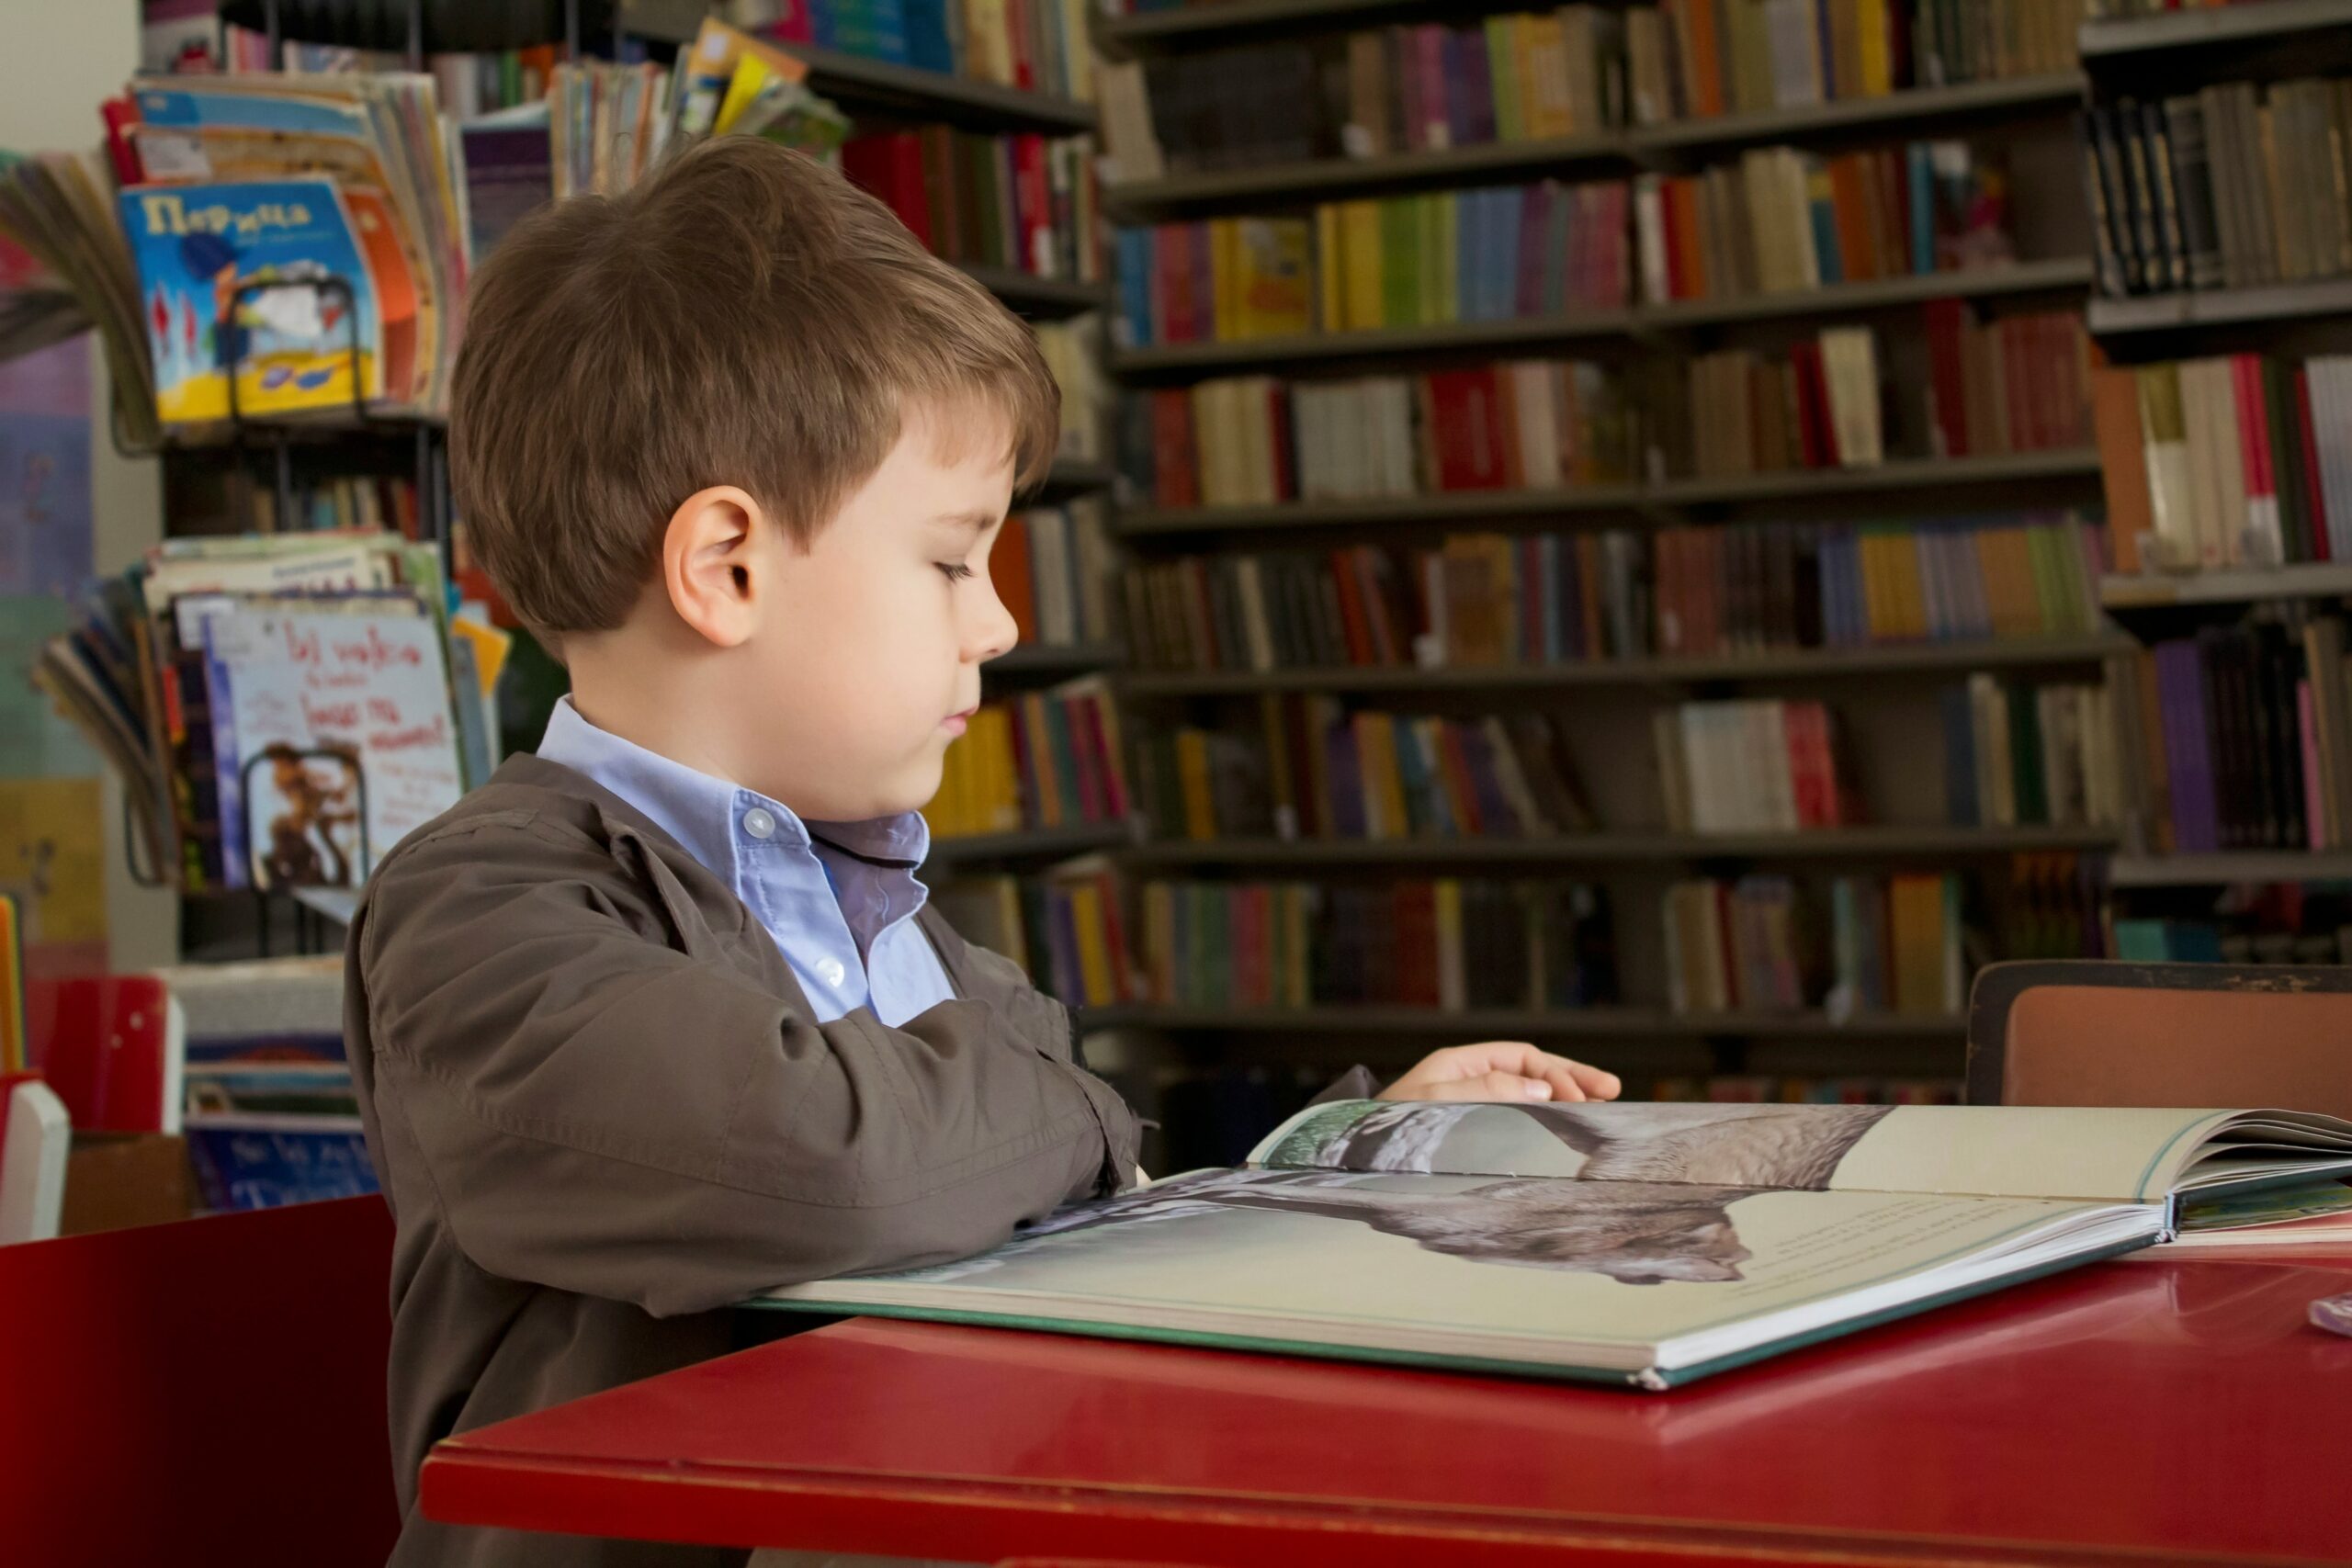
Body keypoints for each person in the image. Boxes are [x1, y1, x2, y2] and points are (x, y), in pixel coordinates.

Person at [344, 135, 1622, 1568]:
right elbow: (849, 1176)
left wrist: (1343, 1155)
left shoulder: (876, 899)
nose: (999, 624)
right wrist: (1069, 1108)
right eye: (953, 559)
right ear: (727, 569)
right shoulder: (482, 910)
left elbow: (1062, 1215)